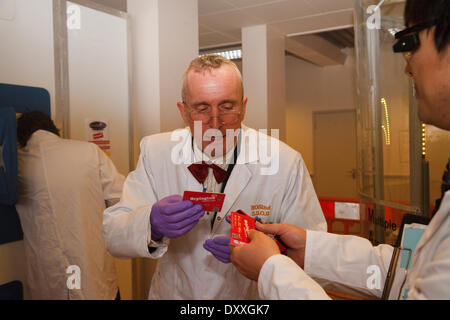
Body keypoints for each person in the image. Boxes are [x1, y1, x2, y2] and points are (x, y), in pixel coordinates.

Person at [230, 0, 450, 300]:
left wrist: (271, 269)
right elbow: (409, 274)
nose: (408, 68)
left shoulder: (285, 158)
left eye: (410, 45)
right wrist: (312, 251)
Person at [102, 54, 327, 299]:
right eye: (202, 108)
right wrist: (151, 224)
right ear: (183, 112)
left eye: (227, 107)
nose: (215, 122)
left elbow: (314, 248)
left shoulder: (284, 161)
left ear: (243, 107)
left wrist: (271, 254)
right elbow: (114, 235)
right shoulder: (155, 152)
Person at [15, 111, 125, 300]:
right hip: (95, 279)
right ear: (52, 127)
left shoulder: (18, 164)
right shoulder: (88, 151)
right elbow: (122, 197)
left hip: (50, 280)